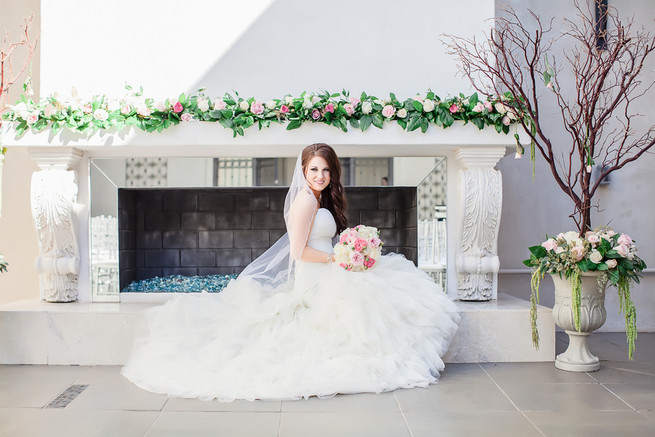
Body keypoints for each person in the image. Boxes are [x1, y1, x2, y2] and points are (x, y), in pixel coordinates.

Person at [122, 143, 459, 402]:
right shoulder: (306, 201)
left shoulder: (320, 198)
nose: (321, 176)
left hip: (330, 270)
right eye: (314, 169)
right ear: (303, 169)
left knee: (384, 283)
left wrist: (352, 249)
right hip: (317, 278)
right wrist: (337, 260)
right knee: (374, 298)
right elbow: (298, 252)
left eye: (326, 170)